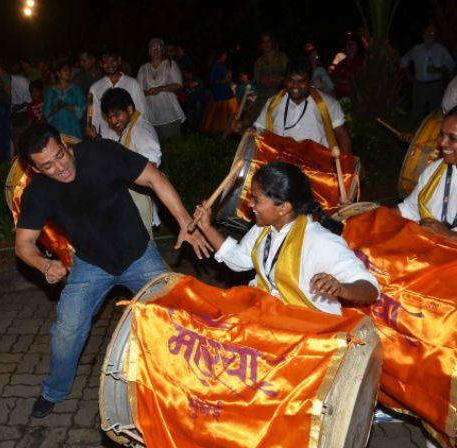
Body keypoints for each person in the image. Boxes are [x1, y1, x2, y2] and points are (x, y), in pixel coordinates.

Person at [14, 123, 211, 417]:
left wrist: (185, 222)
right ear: (35, 169)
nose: (60, 166)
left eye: (61, 155)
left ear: (66, 146)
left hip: (139, 255)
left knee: (176, 315)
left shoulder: (101, 153)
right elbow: (23, 244)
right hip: (91, 263)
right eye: (48, 165)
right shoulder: (38, 192)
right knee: (66, 330)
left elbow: (155, 178)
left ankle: (194, 382)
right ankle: (55, 390)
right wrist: (44, 264)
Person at [194, 161, 379, 315]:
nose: (250, 204)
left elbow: (370, 289)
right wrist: (206, 227)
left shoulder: (321, 241)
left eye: (256, 199)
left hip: (308, 330)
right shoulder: (263, 229)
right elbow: (238, 260)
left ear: (283, 207)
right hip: (269, 314)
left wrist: (341, 288)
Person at [252, 60, 352, 154]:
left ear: (310, 82)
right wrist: (241, 130)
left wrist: (345, 166)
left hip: (318, 167)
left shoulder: (328, 103)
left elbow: (342, 135)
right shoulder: (273, 103)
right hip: (282, 166)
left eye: (301, 81)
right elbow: (258, 131)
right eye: (291, 80)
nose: (295, 85)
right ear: (284, 80)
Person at [100, 87, 161, 233]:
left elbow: (152, 164)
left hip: (141, 202)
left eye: (117, 115)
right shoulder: (130, 128)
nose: (113, 120)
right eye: (109, 117)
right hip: (133, 203)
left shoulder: (140, 130)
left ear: (129, 109)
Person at [394, 106, 457, 242]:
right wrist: (371, 215)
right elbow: (410, 210)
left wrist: (450, 236)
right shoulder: (435, 170)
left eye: (452, 138)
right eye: (442, 134)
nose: (442, 143)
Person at [88, 49, 146, 140]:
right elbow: (93, 118)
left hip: (130, 138)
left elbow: (142, 113)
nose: (109, 65)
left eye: (112, 61)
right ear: (101, 64)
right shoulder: (95, 88)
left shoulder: (133, 84)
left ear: (119, 61)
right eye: (105, 62)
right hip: (106, 138)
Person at [401, 25, 455, 117]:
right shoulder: (417, 49)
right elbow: (404, 60)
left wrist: (438, 69)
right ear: (423, 35)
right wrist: (409, 76)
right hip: (419, 86)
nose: (429, 35)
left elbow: (451, 65)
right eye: (427, 33)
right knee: (417, 112)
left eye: (432, 33)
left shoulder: (441, 50)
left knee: (435, 114)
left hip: (435, 86)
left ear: (436, 36)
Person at [137, 38, 186, 140]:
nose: (156, 49)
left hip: (169, 112)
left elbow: (178, 85)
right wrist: (147, 92)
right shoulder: (143, 68)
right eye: (153, 47)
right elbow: (138, 90)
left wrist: (161, 88)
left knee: (173, 144)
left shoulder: (170, 64)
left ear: (163, 50)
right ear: (149, 50)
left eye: (159, 47)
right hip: (150, 114)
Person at [42, 60, 86, 139]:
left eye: (69, 70)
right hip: (56, 128)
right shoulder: (51, 91)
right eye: (65, 70)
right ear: (58, 73)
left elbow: (82, 108)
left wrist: (65, 106)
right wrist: (56, 108)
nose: (68, 72)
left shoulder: (76, 89)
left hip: (73, 128)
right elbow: (46, 113)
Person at [201, 50, 238, 133]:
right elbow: (227, 79)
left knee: (215, 115)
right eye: (224, 55)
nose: (225, 57)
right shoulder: (220, 67)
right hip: (225, 95)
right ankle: (227, 129)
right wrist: (227, 78)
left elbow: (212, 81)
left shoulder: (212, 66)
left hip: (217, 94)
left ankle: (220, 130)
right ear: (219, 56)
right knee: (228, 113)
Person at [253, 33, 289, 112]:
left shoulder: (282, 57)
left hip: (281, 96)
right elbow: (256, 80)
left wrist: (275, 80)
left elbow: (289, 76)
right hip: (264, 98)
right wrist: (262, 81)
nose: (266, 44)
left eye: (268, 41)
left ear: (273, 42)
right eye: (263, 42)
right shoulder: (259, 61)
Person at [331, 33, 365, 99]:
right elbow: (333, 77)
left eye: (352, 44)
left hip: (354, 99)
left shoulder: (361, 62)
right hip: (338, 98)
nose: (350, 46)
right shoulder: (341, 63)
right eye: (348, 44)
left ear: (357, 46)